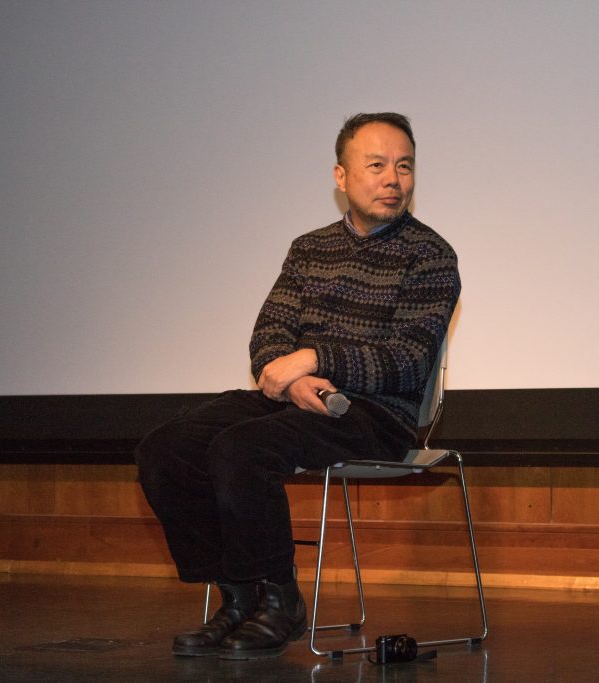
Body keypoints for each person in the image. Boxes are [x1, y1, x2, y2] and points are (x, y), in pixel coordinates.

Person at [135, 112, 461, 660]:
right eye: (377, 165)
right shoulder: (309, 249)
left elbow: (407, 360)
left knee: (242, 450)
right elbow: (269, 334)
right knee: (164, 451)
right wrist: (293, 382)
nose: (393, 179)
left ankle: (281, 602)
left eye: (404, 167)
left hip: (376, 416)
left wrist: (314, 357)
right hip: (296, 400)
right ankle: (238, 597)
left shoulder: (430, 256)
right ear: (341, 176)